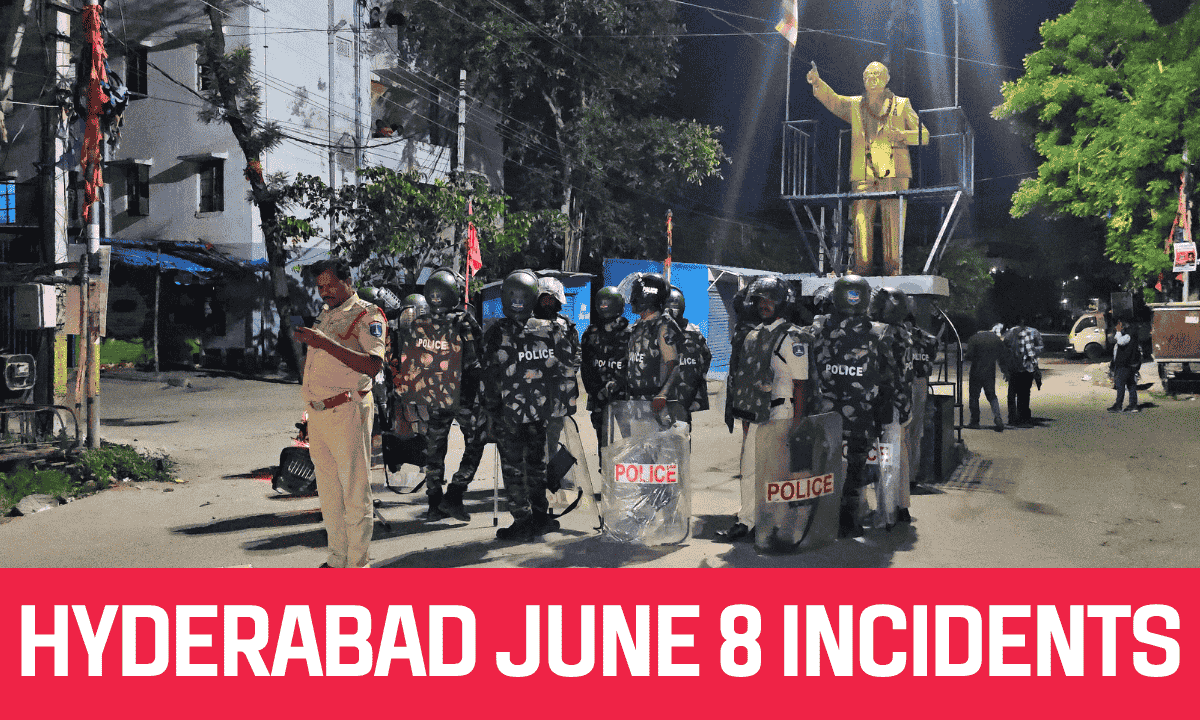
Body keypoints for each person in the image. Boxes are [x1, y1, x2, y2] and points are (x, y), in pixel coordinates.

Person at [294, 258, 386, 568]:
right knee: (329, 494)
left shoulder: (367, 315)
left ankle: (358, 566)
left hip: (347, 410)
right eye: (319, 287)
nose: (323, 292)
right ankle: (337, 560)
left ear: (348, 280)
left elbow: (372, 365)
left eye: (329, 285)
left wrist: (323, 342)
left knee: (354, 491)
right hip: (320, 415)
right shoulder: (327, 314)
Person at [807, 61, 929, 276]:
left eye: (876, 74)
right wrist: (817, 83)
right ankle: (861, 268)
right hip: (863, 171)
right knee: (861, 220)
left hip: (894, 172)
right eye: (867, 75)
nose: (872, 78)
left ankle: (894, 268)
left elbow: (924, 135)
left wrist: (903, 136)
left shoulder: (901, 104)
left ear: (886, 78)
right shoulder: (855, 104)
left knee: (893, 222)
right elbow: (834, 101)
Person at [481, 269, 574, 541]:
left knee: (513, 470)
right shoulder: (552, 329)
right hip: (540, 412)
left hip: (507, 414)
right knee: (536, 466)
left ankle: (523, 520)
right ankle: (541, 517)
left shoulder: (496, 331)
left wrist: (488, 412)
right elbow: (565, 368)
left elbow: (487, 374)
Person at [812, 274, 904, 538]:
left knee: (827, 466)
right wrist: (886, 415)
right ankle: (847, 520)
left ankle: (827, 517)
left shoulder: (819, 330)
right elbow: (889, 378)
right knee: (854, 470)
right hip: (859, 417)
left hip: (826, 416)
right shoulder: (878, 333)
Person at [718, 276, 808, 542]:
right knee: (749, 470)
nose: (765, 305)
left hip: (781, 414)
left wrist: (797, 422)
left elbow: (801, 385)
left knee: (776, 473)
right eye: (760, 300)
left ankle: (775, 525)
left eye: (771, 300)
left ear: (782, 303)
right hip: (756, 416)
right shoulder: (753, 335)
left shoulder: (793, 337)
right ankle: (746, 520)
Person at [394, 268, 483, 522]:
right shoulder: (463, 321)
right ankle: (455, 493)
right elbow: (474, 362)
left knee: (434, 449)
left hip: (434, 397)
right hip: (463, 396)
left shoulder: (419, 323)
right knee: (476, 441)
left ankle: (434, 503)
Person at [618, 273, 684, 415]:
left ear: (646, 297)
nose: (631, 297)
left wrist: (663, 394)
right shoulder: (639, 325)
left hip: (655, 406)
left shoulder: (663, 326)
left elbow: (674, 366)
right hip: (636, 404)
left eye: (635, 293)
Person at [580, 286, 630, 461]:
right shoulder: (590, 334)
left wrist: (618, 384)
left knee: (630, 439)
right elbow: (586, 367)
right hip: (599, 396)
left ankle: (631, 475)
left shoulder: (630, 333)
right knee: (603, 440)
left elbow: (634, 365)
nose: (604, 306)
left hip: (624, 397)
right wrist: (596, 391)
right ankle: (607, 476)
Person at [664, 285, 713, 426]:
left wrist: (695, 385)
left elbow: (705, 359)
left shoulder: (693, 334)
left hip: (683, 400)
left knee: (681, 437)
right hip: (663, 399)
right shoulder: (658, 333)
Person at [963, 322, 1006, 432]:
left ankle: (975, 421)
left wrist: (964, 356)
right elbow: (1002, 356)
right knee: (992, 396)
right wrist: (1005, 370)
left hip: (976, 372)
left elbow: (969, 355)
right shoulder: (996, 339)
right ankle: (998, 417)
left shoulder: (974, 338)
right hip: (990, 372)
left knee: (974, 396)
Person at [1003, 318, 1043, 427]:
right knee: (1024, 393)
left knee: (1012, 393)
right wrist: (1032, 354)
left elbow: (1005, 349)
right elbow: (1039, 348)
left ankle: (1012, 417)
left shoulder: (1010, 333)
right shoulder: (1034, 332)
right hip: (1027, 367)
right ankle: (1023, 417)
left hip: (1014, 367)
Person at [1109, 320, 1142, 413]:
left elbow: (1120, 342)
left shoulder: (1128, 335)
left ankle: (1119, 406)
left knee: (1120, 385)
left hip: (1124, 365)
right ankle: (1133, 405)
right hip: (1128, 364)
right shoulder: (1131, 335)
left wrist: (1119, 331)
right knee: (1131, 385)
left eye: (1120, 325)